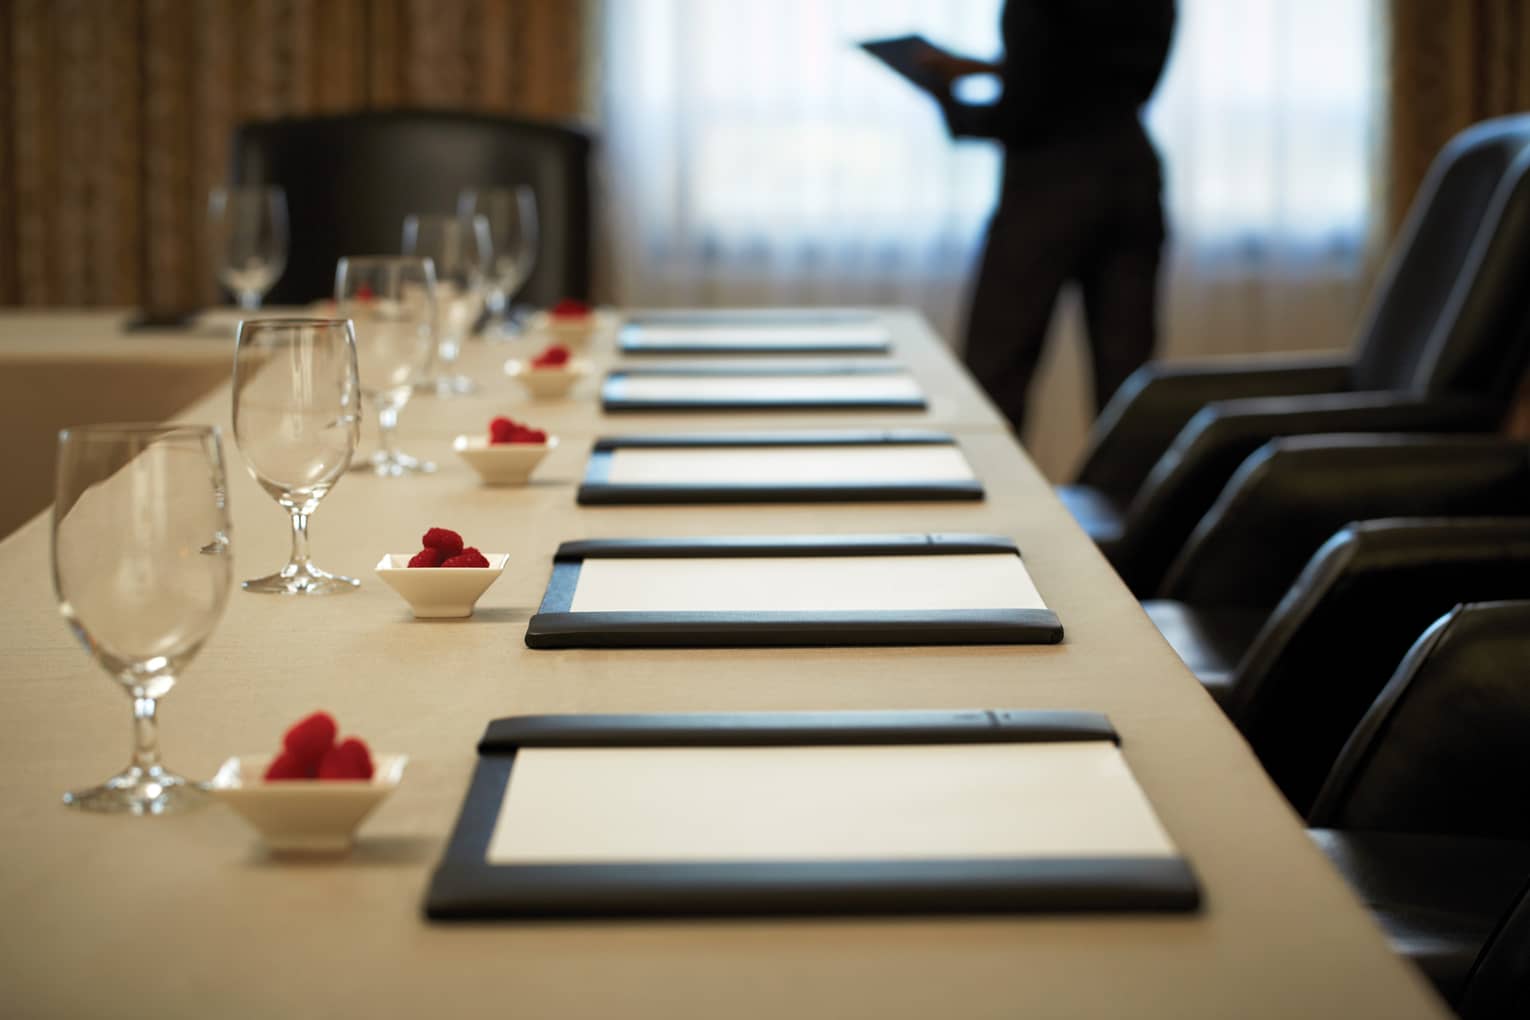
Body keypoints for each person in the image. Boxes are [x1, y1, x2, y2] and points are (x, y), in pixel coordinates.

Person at [916, 1, 1177, 434]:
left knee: (994, 377)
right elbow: (1098, 73)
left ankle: (1000, 500)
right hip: (1131, 177)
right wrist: (991, 68)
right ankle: (1127, 500)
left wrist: (946, 97)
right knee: (1127, 384)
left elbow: (1022, 111)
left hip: (1047, 189)